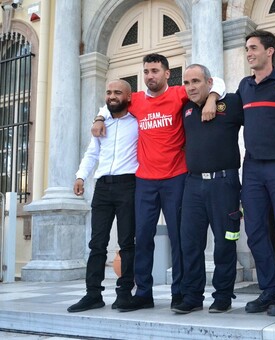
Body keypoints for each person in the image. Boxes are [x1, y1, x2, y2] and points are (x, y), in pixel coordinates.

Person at [92, 54, 225, 312]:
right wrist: (98, 118)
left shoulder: (178, 94)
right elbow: (111, 104)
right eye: (146, 71)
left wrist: (211, 99)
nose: (150, 76)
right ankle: (143, 293)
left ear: (167, 73)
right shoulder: (137, 100)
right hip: (144, 181)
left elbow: (217, 82)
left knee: (179, 239)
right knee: (142, 238)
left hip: (176, 178)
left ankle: (180, 293)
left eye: (155, 71)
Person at [171, 64, 243, 314]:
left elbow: (222, 87)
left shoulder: (231, 103)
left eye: (196, 82)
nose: (191, 87)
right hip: (192, 185)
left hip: (224, 183)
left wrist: (214, 97)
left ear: (209, 82)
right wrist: (101, 115)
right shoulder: (185, 108)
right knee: (190, 243)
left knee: (225, 242)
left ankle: (223, 296)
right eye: (187, 82)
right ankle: (192, 296)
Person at [237, 30, 275, 316]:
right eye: (246, 49)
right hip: (252, 169)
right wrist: (212, 95)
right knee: (256, 231)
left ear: (270, 51)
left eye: (253, 48)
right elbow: (225, 105)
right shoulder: (244, 86)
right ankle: (269, 288)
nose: (248, 53)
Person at [67, 79, 137, 313]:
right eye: (108, 92)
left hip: (129, 184)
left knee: (127, 243)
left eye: (118, 92)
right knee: (97, 243)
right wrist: (80, 176)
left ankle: (125, 293)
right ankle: (93, 294)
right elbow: (91, 153)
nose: (112, 96)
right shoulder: (102, 123)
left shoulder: (137, 121)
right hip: (103, 187)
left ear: (129, 97)